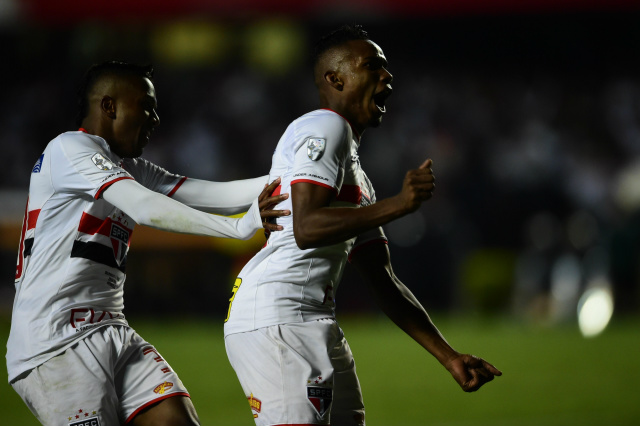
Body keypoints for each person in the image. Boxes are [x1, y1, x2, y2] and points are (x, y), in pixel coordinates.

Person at [224, 25, 502, 426]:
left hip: (315, 319)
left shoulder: (357, 177)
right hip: (278, 317)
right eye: (373, 66)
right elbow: (307, 226)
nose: (387, 77)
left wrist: (449, 356)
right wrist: (399, 205)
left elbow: (382, 279)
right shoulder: (324, 126)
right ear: (336, 79)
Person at [7, 61, 290, 426]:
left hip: (111, 328)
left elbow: (209, 193)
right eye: (146, 105)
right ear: (109, 106)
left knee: (176, 419)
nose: (155, 117)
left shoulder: (129, 166)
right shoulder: (68, 148)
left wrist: (301, 174)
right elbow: (145, 207)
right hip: (56, 343)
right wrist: (236, 228)